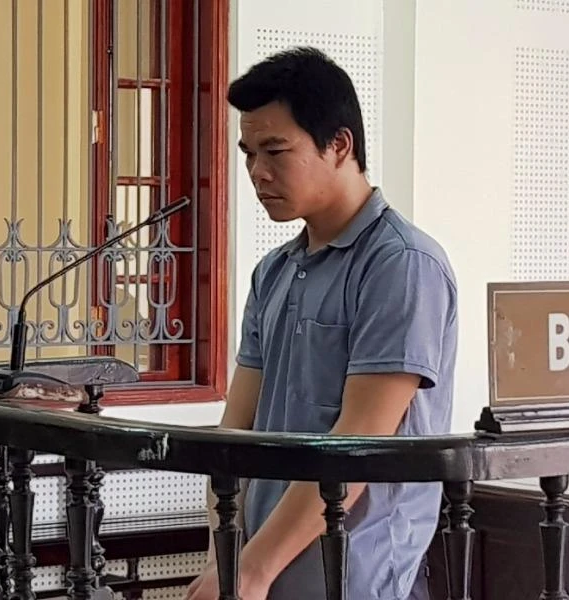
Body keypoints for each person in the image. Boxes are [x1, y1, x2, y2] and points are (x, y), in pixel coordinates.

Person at [185, 47, 458, 600]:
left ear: (339, 145)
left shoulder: (401, 265)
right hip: (259, 563)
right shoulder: (274, 271)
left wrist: (252, 570)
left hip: (353, 571)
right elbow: (234, 434)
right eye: (248, 153)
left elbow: (358, 445)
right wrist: (227, 560)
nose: (257, 172)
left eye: (276, 150)